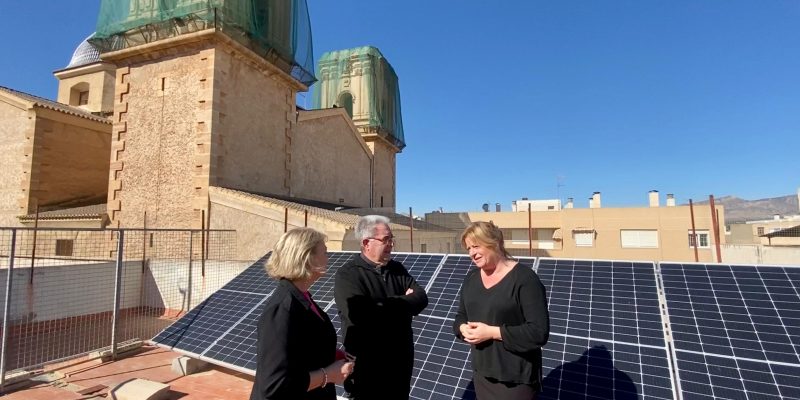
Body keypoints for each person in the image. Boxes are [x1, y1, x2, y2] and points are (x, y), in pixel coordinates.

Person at [250, 228, 355, 400]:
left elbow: (302, 346)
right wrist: (328, 374)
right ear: (307, 258)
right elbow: (275, 384)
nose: (328, 258)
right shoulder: (281, 309)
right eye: (324, 252)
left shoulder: (302, 297)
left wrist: (333, 354)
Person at [334, 215, 428, 400]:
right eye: (386, 240)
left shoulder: (397, 269)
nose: (391, 244)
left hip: (400, 365)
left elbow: (421, 298)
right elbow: (362, 316)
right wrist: (403, 302)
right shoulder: (348, 275)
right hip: (367, 369)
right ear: (366, 243)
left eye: (391, 239)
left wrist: (382, 307)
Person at [453, 221, 550, 400]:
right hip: (482, 374)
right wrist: (462, 328)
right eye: (468, 249)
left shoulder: (525, 280)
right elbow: (460, 316)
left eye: (476, 246)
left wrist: (492, 332)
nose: (472, 253)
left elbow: (538, 332)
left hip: (515, 380)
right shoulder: (471, 279)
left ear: (495, 243)